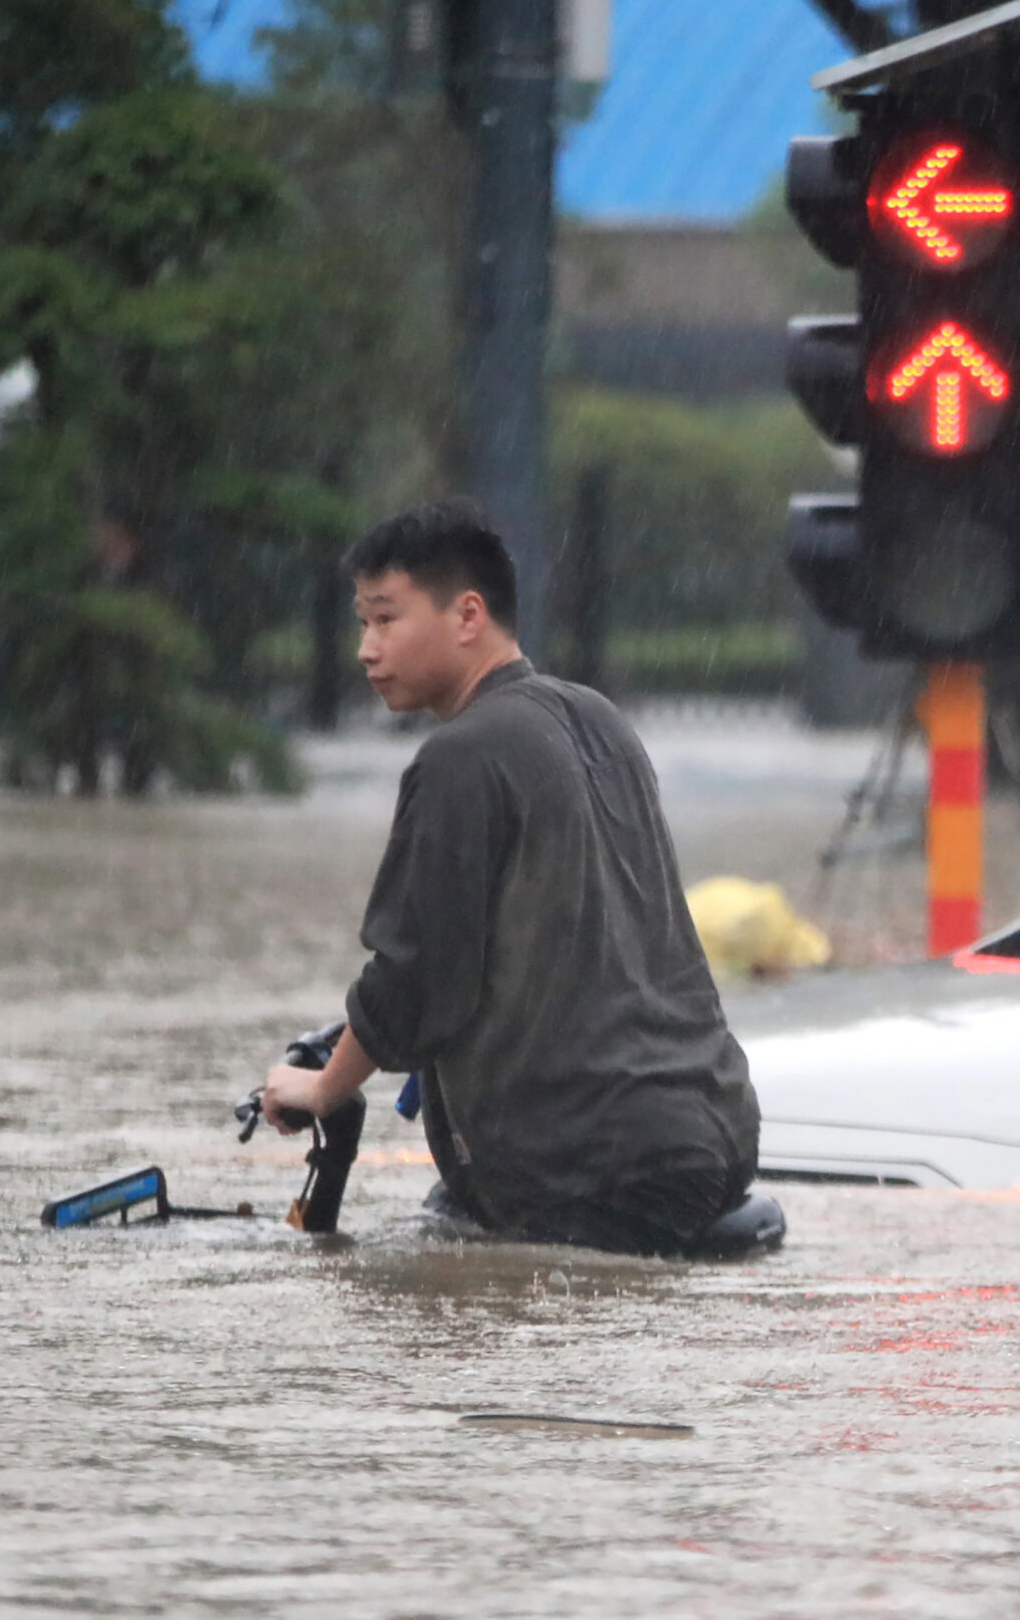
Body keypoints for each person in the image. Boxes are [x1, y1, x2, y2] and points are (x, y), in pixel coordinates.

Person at [260, 500, 764, 1255]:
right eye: (361, 622)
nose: (366, 648)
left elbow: (417, 979)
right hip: (714, 1139)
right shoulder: (602, 719)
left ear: (468, 615)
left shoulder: (461, 757)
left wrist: (324, 1086)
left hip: (586, 1171)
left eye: (386, 619)